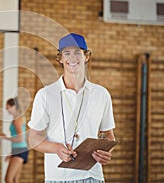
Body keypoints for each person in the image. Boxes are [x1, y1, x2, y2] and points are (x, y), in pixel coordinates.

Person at [27, 33, 116, 183]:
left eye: (77, 52)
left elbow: (109, 136)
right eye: (67, 53)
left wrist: (106, 151)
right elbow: (33, 139)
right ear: (60, 59)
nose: (72, 58)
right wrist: (56, 148)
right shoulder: (45, 95)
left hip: (92, 177)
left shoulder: (101, 94)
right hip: (57, 178)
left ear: (86, 56)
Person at [0, 98, 29, 183]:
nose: (7, 109)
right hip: (18, 150)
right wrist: (11, 153)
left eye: (8, 107)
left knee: (8, 179)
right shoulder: (17, 118)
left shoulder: (17, 120)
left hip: (20, 151)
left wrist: (6, 138)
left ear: (13, 107)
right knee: (15, 179)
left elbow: (20, 139)